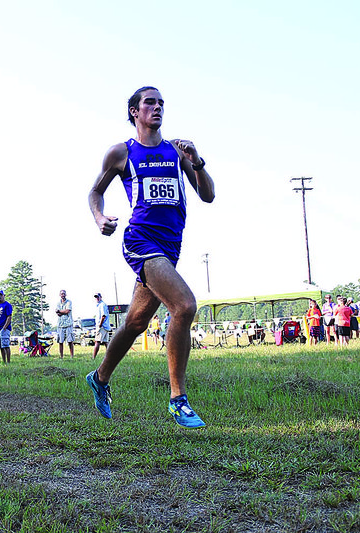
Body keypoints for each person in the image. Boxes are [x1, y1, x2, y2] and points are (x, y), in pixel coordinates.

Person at [86, 86, 215, 428]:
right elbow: (95, 191)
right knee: (184, 306)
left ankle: (99, 379)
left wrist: (197, 162)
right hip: (140, 241)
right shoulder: (120, 153)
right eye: (149, 103)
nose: (157, 108)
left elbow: (208, 195)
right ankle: (178, 399)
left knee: (136, 322)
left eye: (161, 103)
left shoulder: (177, 152)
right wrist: (100, 218)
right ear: (134, 112)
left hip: (170, 247)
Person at [0, 290, 13, 363]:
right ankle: (4, 361)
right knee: (1, 346)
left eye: (1, 295)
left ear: (4, 295)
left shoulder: (7, 305)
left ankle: (8, 362)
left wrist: (5, 327)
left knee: (6, 345)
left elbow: (9, 316)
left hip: (5, 328)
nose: (0, 296)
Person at [55, 289, 74, 358]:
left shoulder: (69, 302)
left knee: (70, 341)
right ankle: (61, 356)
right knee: (60, 341)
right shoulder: (58, 303)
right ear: (60, 295)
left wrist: (60, 311)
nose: (63, 295)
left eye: (64, 294)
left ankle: (72, 356)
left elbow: (67, 311)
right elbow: (57, 313)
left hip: (68, 324)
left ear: (66, 294)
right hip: (60, 324)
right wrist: (61, 312)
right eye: (61, 294)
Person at [92, 293, 111, 360]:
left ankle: (93, 358)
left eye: (98, 297)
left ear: (101, 297)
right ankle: (111, 356)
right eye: (96, 297)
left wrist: (100, 325)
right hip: (106, 326)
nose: (97, 298)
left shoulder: (102, 305)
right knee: (106, 342)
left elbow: (103, 315)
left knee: (97, 341)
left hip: (102, 326)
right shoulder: (100, 305)